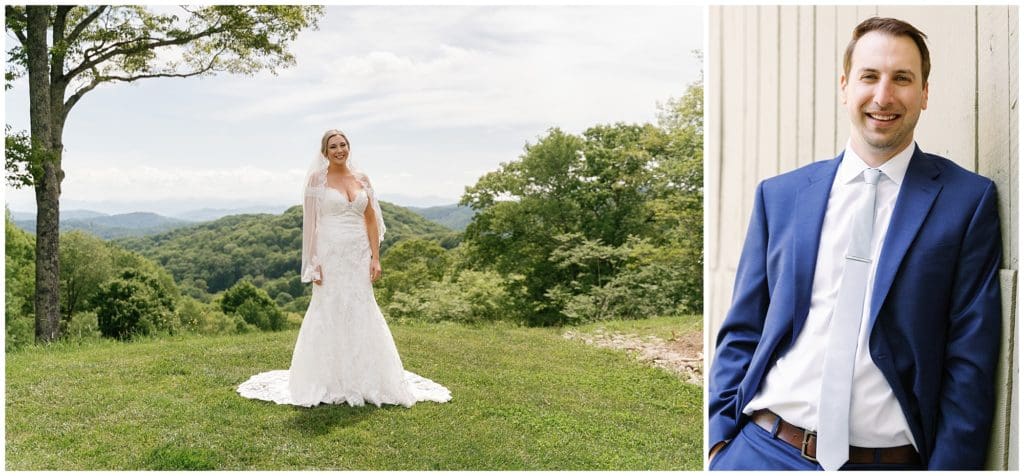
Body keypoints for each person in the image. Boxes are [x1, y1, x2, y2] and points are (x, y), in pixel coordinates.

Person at [708, 17, 1001, 470]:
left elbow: (970, 364)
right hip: (760, 451)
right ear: (845, 86)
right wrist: (718, 443)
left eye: (902, 78)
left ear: (924, 93)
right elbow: (743, 329)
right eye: (869, 76)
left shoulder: (966, 202)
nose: (883, 96)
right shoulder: (780, 196)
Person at [237, 129, 452, 407]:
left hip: (359, 253)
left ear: (349, 147)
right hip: (330, 253)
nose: (339, 149)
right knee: (329, 308)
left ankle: (368, 377)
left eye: (343, 144)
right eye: (333, 146)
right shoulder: (317, 180)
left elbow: (371, 218)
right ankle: (328, 379)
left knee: (362, 307)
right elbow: (311, 224)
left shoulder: (362, 179)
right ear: (324, 153)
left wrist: (376, 257)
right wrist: (313, 262)